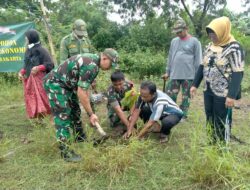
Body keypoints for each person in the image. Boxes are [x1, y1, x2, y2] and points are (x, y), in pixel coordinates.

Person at [44, 48, 118, 162]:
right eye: (111, 64)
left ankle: (79, 137)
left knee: (75, 109)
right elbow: (81, 93)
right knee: (63, 116)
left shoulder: (95, 62)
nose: (110, 68)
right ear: (104, 58)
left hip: (68, 85)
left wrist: (91, 110)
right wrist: (91, 114)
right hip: (56, 84)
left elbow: (85, 87)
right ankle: (66, 152)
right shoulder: (91, 66)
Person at [190, 16, 244, 144]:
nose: (211, 36)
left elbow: (238, 73)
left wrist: (231, 96)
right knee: (209, 116)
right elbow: (202, 65)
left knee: (221, 119)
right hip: (208, 89)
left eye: (214, 33)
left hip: (223, 92)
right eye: (209, 33)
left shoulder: (234, 48)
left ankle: (222, 147)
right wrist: (194, 85)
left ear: (222, 31)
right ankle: (212, 142)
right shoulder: (209, 46)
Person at [162, 19, 202, 120]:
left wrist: (197, 78)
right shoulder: (174, 41)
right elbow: (170, 57)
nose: (178, 34)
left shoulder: (195, 42)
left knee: (186, 97)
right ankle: (170, 113)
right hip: (174, 74)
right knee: (170, 95)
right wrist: (168, 71)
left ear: (186, 29)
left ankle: (183, 115)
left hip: (188, 76)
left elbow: (198, 60)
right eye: (177, 32)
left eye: (180, 31)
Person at [18, 29, 54, 120]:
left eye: (26, 38)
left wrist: (39, 68)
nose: (25, 39)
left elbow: (50, 64)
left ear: (31, 38)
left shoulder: (41, 50)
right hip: (30, 81)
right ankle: (39, 119)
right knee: (33, 99)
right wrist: (22, 72)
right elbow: (27, 65)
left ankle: (50, 118)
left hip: (40, 81)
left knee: (43, 99)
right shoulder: (28, 50)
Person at [106, 70, 138, 136]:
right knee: (114, 122)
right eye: (115, 84)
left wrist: (131, 115)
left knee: (137, 105)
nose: (118, 87)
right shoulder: (110, 91)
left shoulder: (129, 84)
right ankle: (122, 122)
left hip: (125, 102)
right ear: (112, 83)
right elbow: (118, 110)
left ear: (124, 81)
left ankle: (129, 119)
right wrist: (129, 127)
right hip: (115, 106)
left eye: (120, 84)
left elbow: (133, 100)